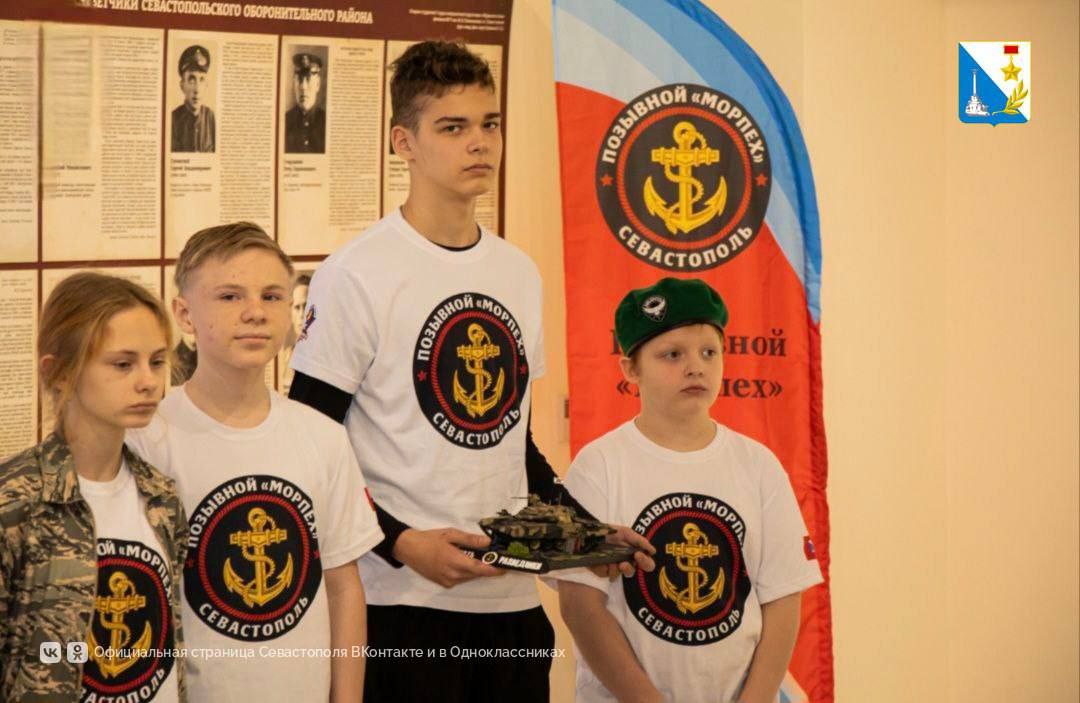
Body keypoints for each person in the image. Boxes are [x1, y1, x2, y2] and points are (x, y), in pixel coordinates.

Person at [288, 39, 652, 702]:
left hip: (511, 606)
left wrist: (586, 533)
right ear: (404, 142)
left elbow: (515, 447)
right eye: (453, 128)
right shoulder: (357, 274)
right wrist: (401, 543)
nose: (479, 142)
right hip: (399, 606)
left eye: (490, 124)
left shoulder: (518, 273)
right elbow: (309, 448)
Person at [126, 223, 382, 702]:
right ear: (184, 314)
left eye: (271, 296)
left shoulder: (323, 438)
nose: (255, 312)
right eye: (229, 296)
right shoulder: (147, 438)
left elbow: (343, 587)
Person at [554, 277, 824, 703]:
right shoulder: (598, 466)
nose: (695, 367)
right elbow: (580, 605)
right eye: (672, 354)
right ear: (630, 369)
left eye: (709, 352)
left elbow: (783, 598)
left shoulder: (758, 466)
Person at [0, 273, 187, 702]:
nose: (148, 382)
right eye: (123, 364)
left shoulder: (161, 497)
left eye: (157, 361)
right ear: (58, 372)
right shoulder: (15, 503)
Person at [171, 45, 215, 153]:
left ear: (206, 85)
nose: (197, 89)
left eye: (202, 79)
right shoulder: (173, 120)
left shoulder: (211, 117)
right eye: (191, 80)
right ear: (182, 85)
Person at [284, 53, 326, 153]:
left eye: (308, 79)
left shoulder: (326, 120)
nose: (303, 87)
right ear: (294, 84)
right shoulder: (285, 120)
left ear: (318, 84)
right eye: (299, 80)